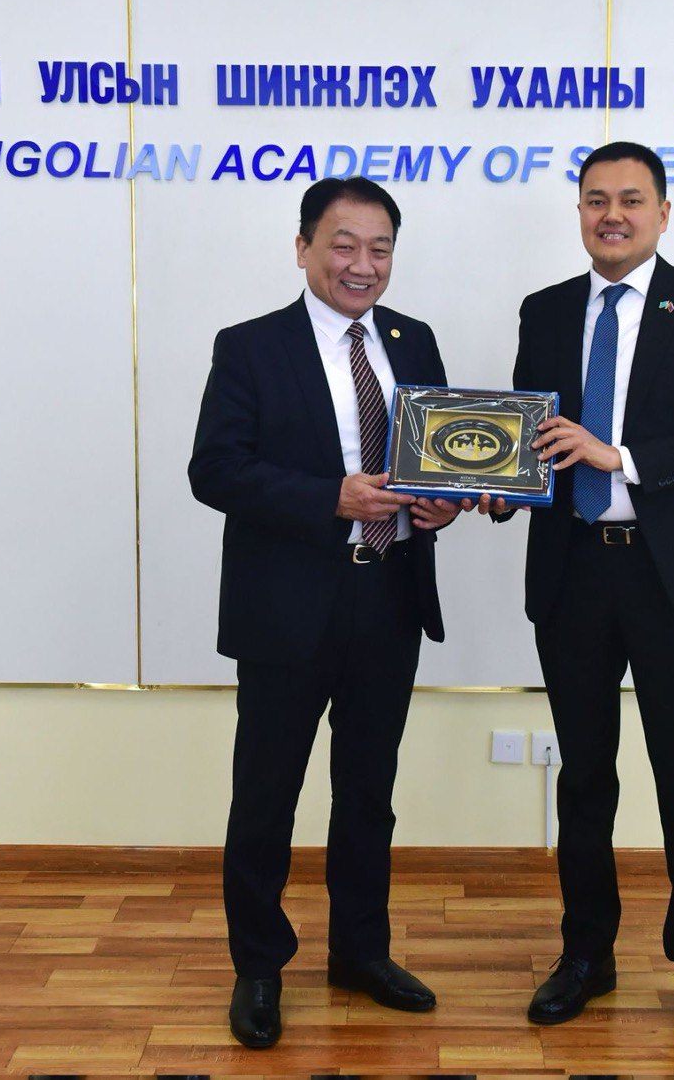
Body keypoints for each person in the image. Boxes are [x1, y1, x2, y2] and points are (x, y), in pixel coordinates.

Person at [476, 141, 674, 1052]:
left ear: (663, 213)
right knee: (585, 777)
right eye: (596, 199)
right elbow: (530, 439)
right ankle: (586, 954)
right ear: (580, 213)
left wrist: (622, 457)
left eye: (631, 199)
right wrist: (499, 487)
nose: (613, 215)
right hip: (574, 571)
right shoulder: (547, 309)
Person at [189, 176, 460, 1049]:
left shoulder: (414, 341)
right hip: (287, 604)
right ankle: (259, 967)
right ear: (303, 247)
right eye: (344, 245)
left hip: (389, 596)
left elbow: (439, 465)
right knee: (266, 794)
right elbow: (214, 470)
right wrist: (330, 498)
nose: (362, 264)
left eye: (380, 248)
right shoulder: (250, 346)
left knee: (368, 791)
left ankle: (361, 953)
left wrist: (444, 505)